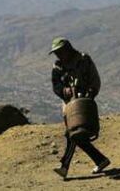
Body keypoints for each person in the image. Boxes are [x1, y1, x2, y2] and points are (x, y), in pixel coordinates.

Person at [49, 37, 110, 180]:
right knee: (77, 134)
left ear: (67, 49)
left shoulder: (83, 60)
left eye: (59, 52)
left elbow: (94, 80)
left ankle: (64, 167)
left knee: (74, 134)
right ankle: (100, 160)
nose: (58, 55)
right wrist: (65, 91)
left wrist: (90, 93)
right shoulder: (57, 66)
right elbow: (56, 86)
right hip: (69, 106)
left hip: (84, 104)